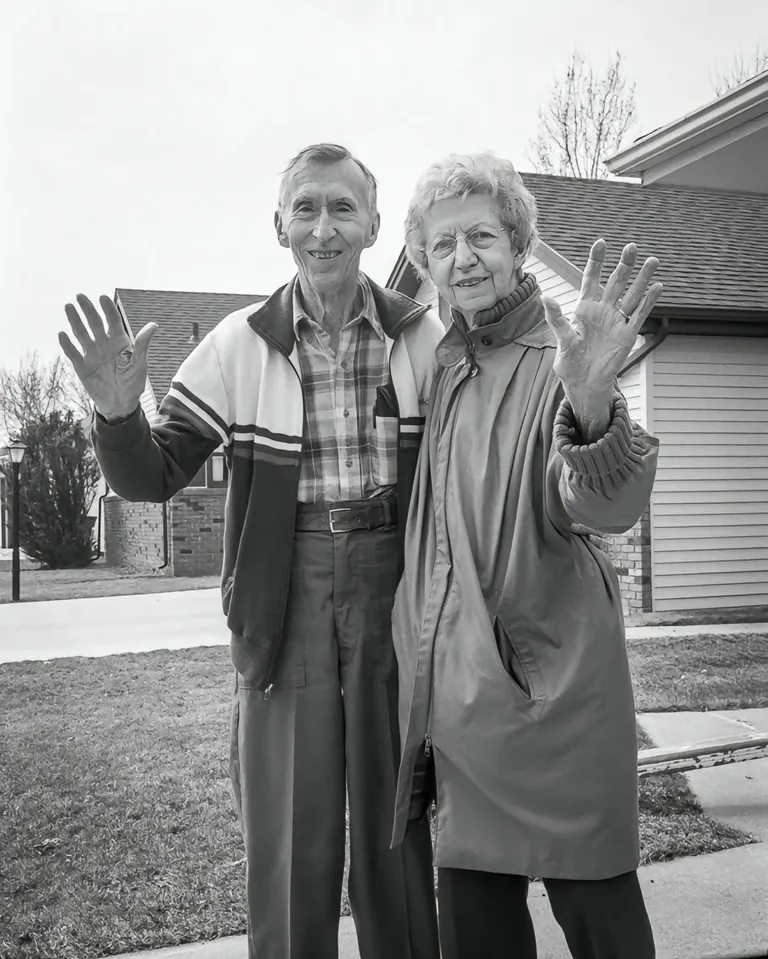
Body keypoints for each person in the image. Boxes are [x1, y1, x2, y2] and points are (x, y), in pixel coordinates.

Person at [59, 143, 442, 959]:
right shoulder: (238, 344)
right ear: (278, 226)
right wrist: (118, 415)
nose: (323, 226)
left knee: (398, 822)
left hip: (393, 587)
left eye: (342, 207)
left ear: (374, 225)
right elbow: (152, 475)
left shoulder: (422, 337)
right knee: (290, 830)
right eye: (306, 208)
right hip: (285, 591)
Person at [389, 153, 664, 959]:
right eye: (443, 244)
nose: (463, 258)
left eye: (481, 236)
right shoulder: (446, 367)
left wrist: (594, 405)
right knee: (477, 936)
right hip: (460, 714)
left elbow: (606, 505)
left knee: (605, 927)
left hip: (558, 699)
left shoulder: (562, 359)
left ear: (517, 243)